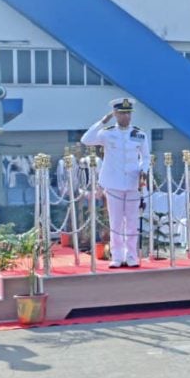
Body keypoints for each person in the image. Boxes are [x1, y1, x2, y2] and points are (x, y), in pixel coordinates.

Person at [80, 98, 150, 268]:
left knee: (132, 223)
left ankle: (132, 256)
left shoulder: (140, 134)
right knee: (116, 222)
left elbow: (146, 156)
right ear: (116, 114)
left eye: (129, 113)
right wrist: (103, 120)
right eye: (122, 113)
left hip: (133, 183)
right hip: (113, 183)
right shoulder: (107, 132)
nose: (126, 116)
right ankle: (117, 256)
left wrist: (144, 171)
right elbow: (86, 139)